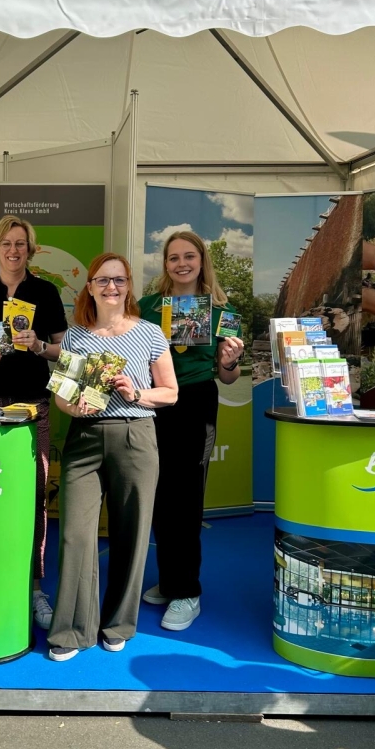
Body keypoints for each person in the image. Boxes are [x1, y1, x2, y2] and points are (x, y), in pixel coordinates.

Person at [47, 253, 178, 661]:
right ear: (89, 286)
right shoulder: (74, 337)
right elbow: (60, 395)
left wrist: (136, 392)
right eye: (102, 280)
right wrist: (74, 407)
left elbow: (171, 392)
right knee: (76, 535)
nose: (111, 288)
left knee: (131, 533)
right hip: (84, 439)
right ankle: (71, 631)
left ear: (129, 286)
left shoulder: (151, 333)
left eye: (119, 280)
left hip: (135, 436)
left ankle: (118, 624)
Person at [0, 216, 67, 630]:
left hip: (31, 405)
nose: (14, 250)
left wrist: (39, 345)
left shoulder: (46, 292)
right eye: (7, 243)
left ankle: (34, 588)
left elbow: (63, 348)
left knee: (34, 492)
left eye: (21, 244)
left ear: (30, 249)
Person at [140, 231, 245, 631]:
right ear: (165, 264)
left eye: (189, 256)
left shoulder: (225, 310)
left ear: (202, 260)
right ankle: (169, 581)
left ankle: (187, 592)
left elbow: (229, 377)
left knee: (185, 499)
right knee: (159, 496)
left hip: (196, 402)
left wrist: (230, 360)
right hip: (153, 404)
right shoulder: (147, 307)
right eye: (173, 257)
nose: (181, 263)